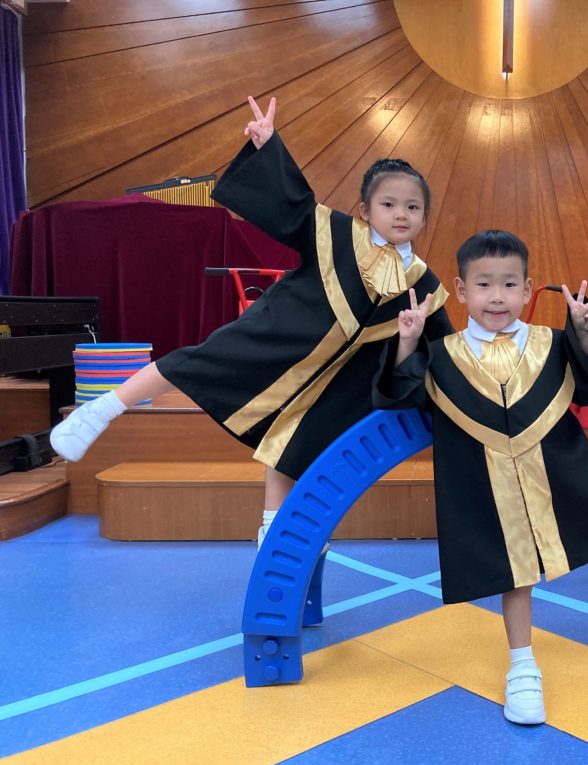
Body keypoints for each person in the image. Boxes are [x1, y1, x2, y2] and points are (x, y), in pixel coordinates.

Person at [50, 96, 453, 547]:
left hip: (341, 377)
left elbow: (444, 352)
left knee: (293, 444)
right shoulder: (335, 231)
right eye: (389, 203)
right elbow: (291, 202)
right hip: (280, 334)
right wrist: (268, 147)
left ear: (424, 216)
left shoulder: (425, 284)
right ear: (365, 210)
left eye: (413, 207)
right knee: (197, 362)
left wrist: (414, 344)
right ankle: (99, 411)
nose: (401, 214)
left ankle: (271, 531)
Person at [373, 230, 588, 725]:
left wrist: (584, 330)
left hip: (557, 465)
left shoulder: (551, 344)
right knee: (515, 571)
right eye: (484, 285)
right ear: (461, 290)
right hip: (486, 479)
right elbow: (399, 397)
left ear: (528, 289)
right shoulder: (441, 356)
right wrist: (407, 340)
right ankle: (522, 666)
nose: (497, 296)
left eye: (509, 284)